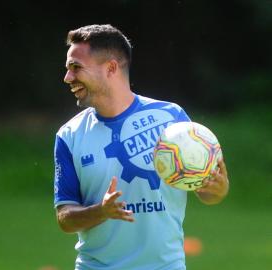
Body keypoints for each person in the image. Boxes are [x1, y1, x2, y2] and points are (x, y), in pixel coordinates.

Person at [53, 24, 229, 270]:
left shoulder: (171, 118)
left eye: (76, 68)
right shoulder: (69, 135)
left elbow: (207, 192)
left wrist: (218, 189)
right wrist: (101, 211)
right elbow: (65, 218)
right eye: (68, 69)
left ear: (111, 68)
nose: (68, 77)